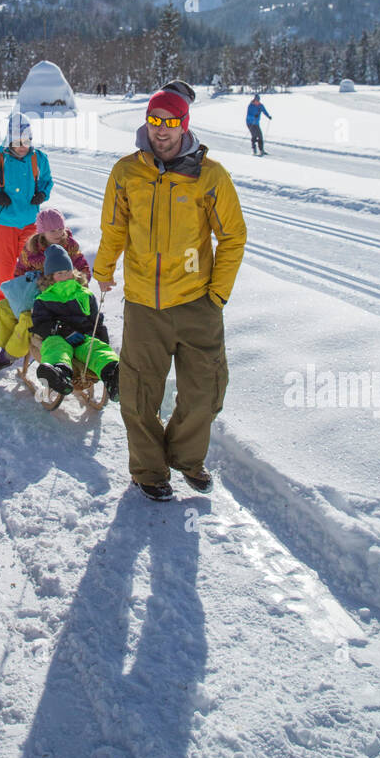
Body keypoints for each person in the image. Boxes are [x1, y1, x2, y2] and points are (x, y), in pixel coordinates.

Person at [93, 80, 246, 502]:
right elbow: (114, 227)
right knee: (139, 394)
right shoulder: (127, 171)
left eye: (171, 121)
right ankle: (149, 471)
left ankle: (186, 457)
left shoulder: (209, 175)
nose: (162, 129)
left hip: (198, 302)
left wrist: (217, 294)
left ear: (184, 124)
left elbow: (233, 235)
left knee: (205, 393)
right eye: (155, 120)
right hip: (144, 304)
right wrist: (103, 270)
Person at [0, 111, 53, 363]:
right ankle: (6, 321)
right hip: (2, 225)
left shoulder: (39, 159)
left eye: (26, 141)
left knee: (32, 273)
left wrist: (42, 194)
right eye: (17, 142)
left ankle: (29, 317)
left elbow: (47, 181)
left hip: (29, 225)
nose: (22, 147)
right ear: (8, 141)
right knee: (5, 274)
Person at [0, 208, 91, 367]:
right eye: (52, 230)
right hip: (35, 294)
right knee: (3, 308)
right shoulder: (32, 247)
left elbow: (84, 269)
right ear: (42, 232)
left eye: (60, 229)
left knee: (26, 318)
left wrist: (70, 283)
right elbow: (20, 271)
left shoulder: (69, 246)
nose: (58, 233)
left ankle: (9, 356)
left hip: (58, 299)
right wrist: (27, 286)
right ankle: (5, 346)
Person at [31, 244, 119, 402]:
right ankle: (58, 373)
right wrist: (61, 329)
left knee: (95, 348)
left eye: (67, 271)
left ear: (73, 271)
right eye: (59, 273)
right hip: (56, 336)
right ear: (50, 276)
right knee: (56, 347)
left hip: (82, 338)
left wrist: (101, 339)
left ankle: (113, 374)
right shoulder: (44, 299)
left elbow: (96, 321)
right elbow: (40, 323)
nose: (64, 275)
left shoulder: (84, 294)